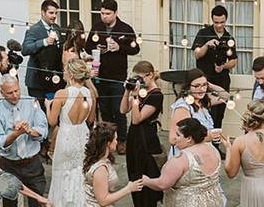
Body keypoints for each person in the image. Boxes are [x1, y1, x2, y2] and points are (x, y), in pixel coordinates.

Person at [85, 0, 139, 149]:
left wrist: (120, 47)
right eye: (102, 13)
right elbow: (88, 46)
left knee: (119, 109)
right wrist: (98, 48)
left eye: (108, 14)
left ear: (115, 13)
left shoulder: (125, 29)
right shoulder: (97, 27)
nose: (104, 17)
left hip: (117, 76)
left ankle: (122, 139)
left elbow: (135, 49)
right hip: (100, 75)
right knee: (105, 109)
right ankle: (108, 139)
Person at [0, 75, 49, 207]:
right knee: (9, 203)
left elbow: (43, 129)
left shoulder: (32, 102)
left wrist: (29, 131)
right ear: (2, 92)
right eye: (10, 93)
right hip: (10, 165)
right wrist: (16, 134)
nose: (15, 95)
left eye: (17, 91)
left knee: (38, 201)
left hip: (32, 164)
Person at [46, 58, 96, 207]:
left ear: (72, 75)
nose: (63, 72)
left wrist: (48, 106)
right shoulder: (90, 93)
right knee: (80, 175)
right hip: (83, 134)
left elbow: (52, 122)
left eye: (65, 70)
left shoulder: (62, 93)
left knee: (62, 176)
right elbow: (91, 119)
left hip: (66, 136)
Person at [141, 118, 223, 207]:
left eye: (178, 135)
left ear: (189, 138)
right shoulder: (212, 149)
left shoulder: (181, 159)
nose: (174, 138)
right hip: (214, 201)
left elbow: (162, 184)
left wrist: (146, 180)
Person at [119, 61, 164, 207]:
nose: (138, 81)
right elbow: (123, 110)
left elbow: (137, 119)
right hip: (134, 136)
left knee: (144, 172)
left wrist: (137, 97)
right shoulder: (141, 92)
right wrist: (127, 91)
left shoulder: (156, 95)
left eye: (140, 78)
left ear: (150, 75)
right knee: (134, 171)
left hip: (146, 139)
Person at [190, 4, 236, 129]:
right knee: (203, 111)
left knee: (219, 114)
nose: (219, 25)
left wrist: (224, 66)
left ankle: (215, 144)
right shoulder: (203, 33)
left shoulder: (229, 38)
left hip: (222, 80)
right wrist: (207, 45)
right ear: (212, 20)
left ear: (226, 20)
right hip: (205, 80)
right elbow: (197, 55)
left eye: (222, 22)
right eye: (216, 22)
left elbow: (234, 61)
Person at [82, 122, 144, 207]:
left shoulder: (103, 160)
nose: (117, 142)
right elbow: (103, 201)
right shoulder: (100, 169)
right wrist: (128, 189)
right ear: (108, 143)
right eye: (115, 139)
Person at [168, 69, 226, 157]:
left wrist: (210, 85)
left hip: (203, 153)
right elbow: (173, 139)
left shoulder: (202, 102)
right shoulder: (183, 107)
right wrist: (207, 137)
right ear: (188, 87)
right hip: (187, 156)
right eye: (196, 86)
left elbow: (225, 96)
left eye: (204, 85)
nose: (201, 89)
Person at [22, 0, 63, 110]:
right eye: (51, 13)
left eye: (56, 13)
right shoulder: (34, 29)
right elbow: (25, 49)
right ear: (43, 13)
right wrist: (44, 42)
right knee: (38, 112)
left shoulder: (57, 28)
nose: (54, 16)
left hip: (54, 79)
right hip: (37, 80)